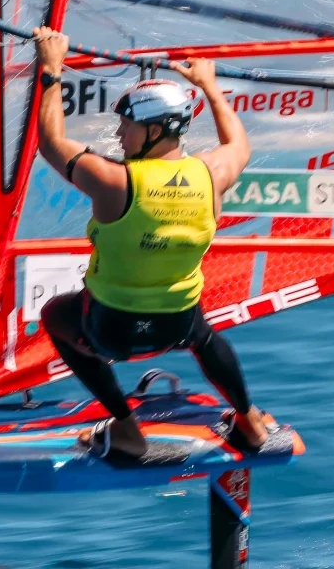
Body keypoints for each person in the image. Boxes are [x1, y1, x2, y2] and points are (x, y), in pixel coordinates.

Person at [32, 25, 270, 458]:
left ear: (156, 130)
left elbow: (50, 142)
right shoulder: (213, 174)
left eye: (127, 126)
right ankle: (250, 422)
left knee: (54, 315)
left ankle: (126, 427)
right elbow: (239, 144)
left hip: (111, 332)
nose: (120, 136)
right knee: (205, 337)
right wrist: (210, 87)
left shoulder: (114, 181)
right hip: (178, 325)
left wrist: (50, 68)